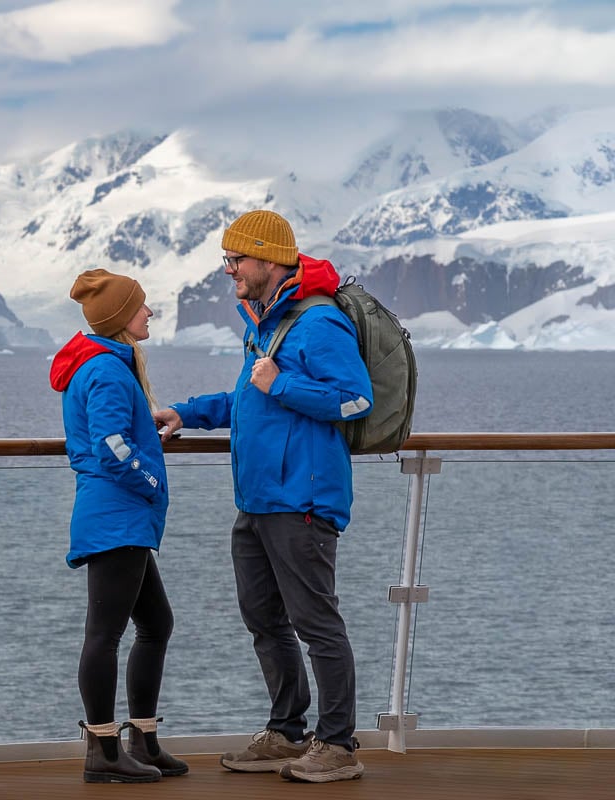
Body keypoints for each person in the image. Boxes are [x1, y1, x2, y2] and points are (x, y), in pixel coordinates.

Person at [153, 210, 372, 783]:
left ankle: (338, 744)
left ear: (270, 260)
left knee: (315, 622)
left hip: (301, 500)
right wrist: (186, 413)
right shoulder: (268, 321)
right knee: (263, 618)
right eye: (228, 260)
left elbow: (355, 401)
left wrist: (284, 383)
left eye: (237, 260)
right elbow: (247, 398)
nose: (229, 271)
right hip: (258, 501)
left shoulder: (319, 322)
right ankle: (287, 732)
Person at [49, 268, 188, 784]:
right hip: (117, 515)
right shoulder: (107, 371)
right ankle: (103, 752)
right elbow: (110, 448)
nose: (149, 312)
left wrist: (145, 434)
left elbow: (113, 434)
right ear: (118, 319)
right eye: (142, 306)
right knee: (104, 635)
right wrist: (151, 478)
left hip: (118, 514)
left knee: (156, 625)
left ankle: (142, 740)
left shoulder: (103, 363)